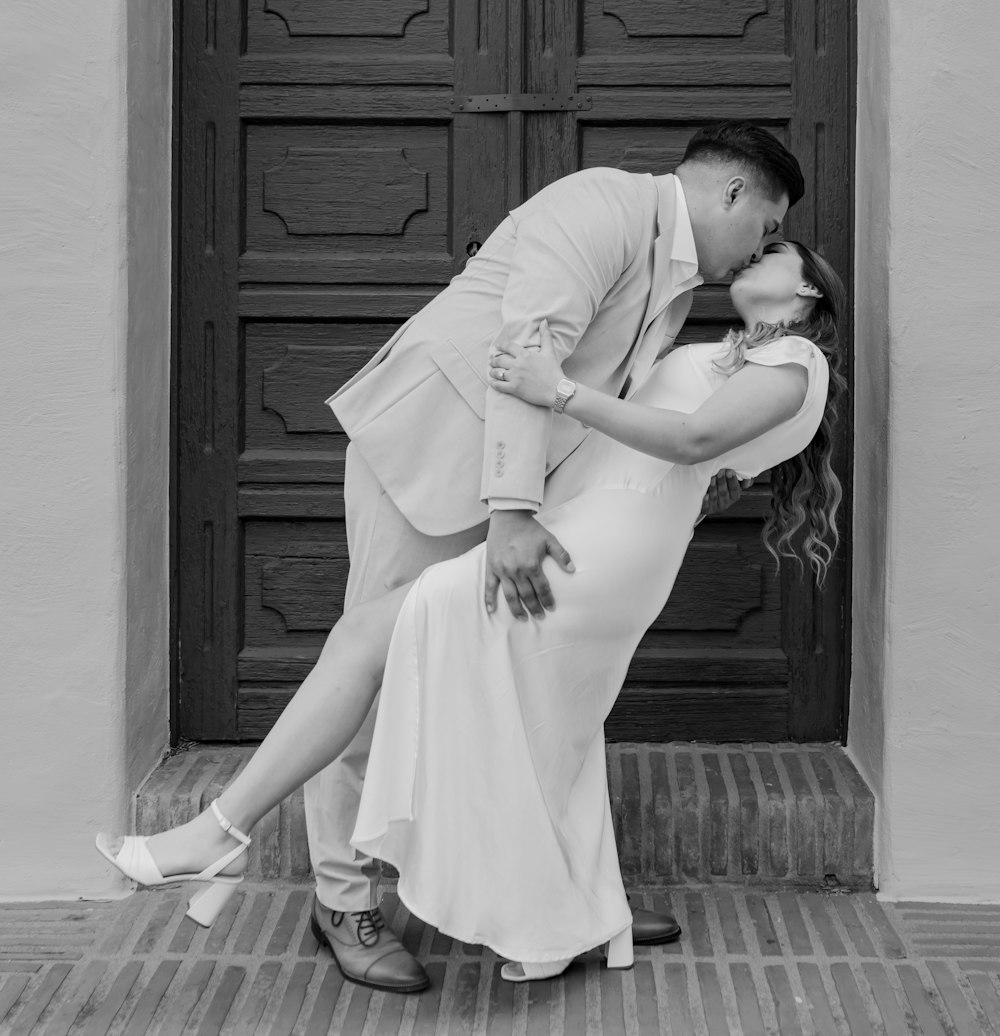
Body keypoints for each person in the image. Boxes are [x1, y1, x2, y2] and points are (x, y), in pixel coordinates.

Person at [96, 238, 845, 988]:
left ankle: (217, 831)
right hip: (600, 537)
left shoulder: (798, 363)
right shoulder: (736, 356)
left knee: (368, 639)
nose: (754, 252)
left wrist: (554, 389)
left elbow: (694, 441)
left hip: (597, 550)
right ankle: (579, 908)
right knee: (546, 727)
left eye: (775, 249)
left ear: (808, 292)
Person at [303, 120, 801, 988]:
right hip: (432, 457)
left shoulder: (677, 286)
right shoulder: (599, 205)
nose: (761, 248)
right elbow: (524, 353)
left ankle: (567, 893)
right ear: (732, 193)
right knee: (376, 663)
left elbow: (622, 402)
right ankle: (342, 896)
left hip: (526, 491)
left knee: (524, 680)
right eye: (766, 225)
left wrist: (700, 474)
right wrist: (513, 512)